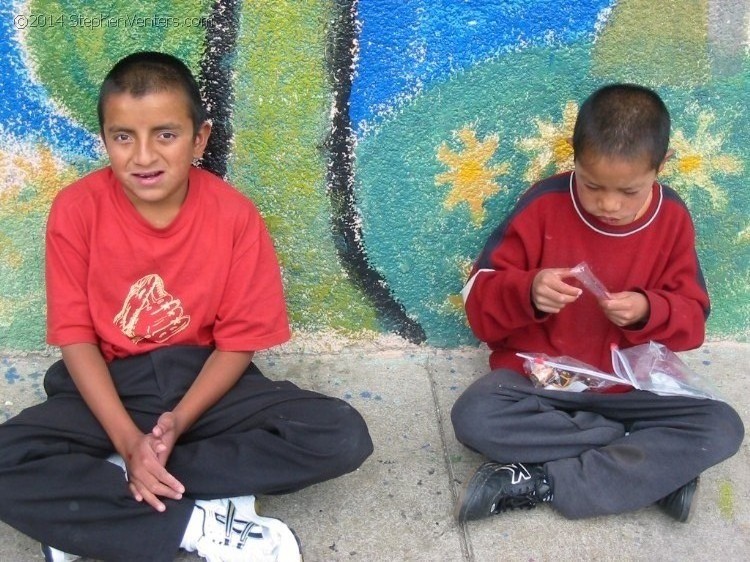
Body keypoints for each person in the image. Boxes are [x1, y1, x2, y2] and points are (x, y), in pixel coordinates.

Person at [0, 51, 373, 562]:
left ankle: (114, 485)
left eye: (166, 135)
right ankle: (195, 524)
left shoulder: (234, 217)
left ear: (200, 138)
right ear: (105, 137)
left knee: (341, 434)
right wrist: (127, 435)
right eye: (122, 136)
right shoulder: (76, 209)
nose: (143, 156)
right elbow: (76, 337)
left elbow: (237, 344)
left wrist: (171, 427)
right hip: (111, 384)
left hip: (202, 384)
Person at [451, 84, 744, 524]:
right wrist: (528, 291)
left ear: (660, 167)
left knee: (722, 427)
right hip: (540, 383)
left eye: (629, 192)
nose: (609, 204)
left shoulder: (672, 218)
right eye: (592, 185)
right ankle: (649, 462)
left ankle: (541, 481)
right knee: (474, 415)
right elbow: (479, 306)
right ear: (574, 157)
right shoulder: (543, 204)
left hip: (630, 388)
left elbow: (692, 321)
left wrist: (649, 310)